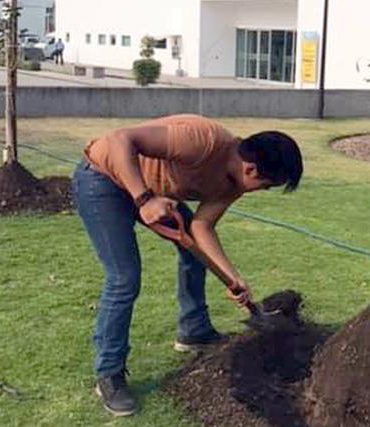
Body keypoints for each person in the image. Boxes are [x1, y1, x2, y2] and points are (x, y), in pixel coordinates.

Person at [71, 114, 303, 416]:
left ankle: (194, 330)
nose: (261, 191)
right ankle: (109, 374)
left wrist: (234, 278)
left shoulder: (232, 184)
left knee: (194, 258)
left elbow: (201, 227)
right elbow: (120, 139)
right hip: (103, 180)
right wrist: (143, 200)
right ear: (251, 169)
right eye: (267, 186)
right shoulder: (202, 140)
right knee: (124, 278)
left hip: (152, 193)